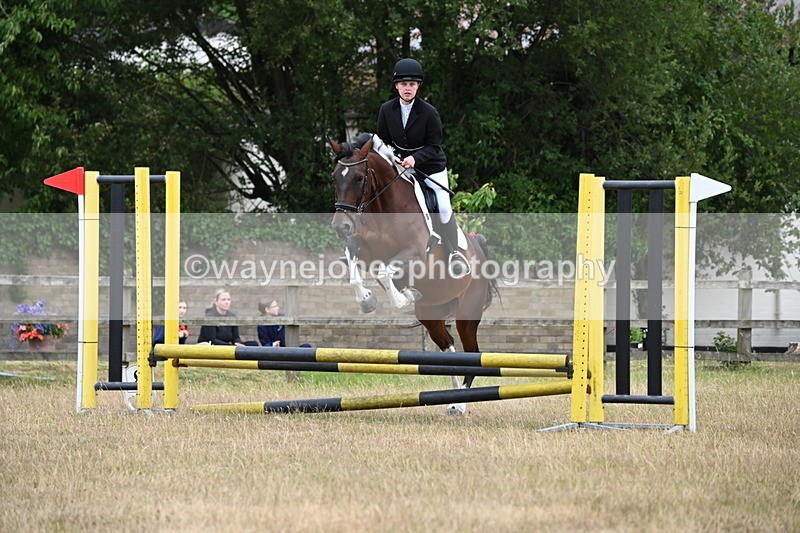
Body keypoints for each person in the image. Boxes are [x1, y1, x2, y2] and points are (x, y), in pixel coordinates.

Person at [376, 57, 470, 277]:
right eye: (403, 84)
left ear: (418, 86)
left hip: (430, 168)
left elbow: (434, 146)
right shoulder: (386, 110)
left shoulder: (429, 112)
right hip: (401, 168)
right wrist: (394, 159)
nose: (407, 88)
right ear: (396, 86)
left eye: (412, 84)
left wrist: (414, 159)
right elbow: (381, 142)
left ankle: (454, 252)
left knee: (444, 206)